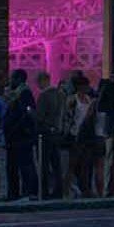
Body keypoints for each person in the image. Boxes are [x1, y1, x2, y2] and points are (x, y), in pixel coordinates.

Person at [3, 69, 39, 201]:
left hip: (20, 136)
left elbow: (26, 114)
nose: (10, 81)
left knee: (24, 165)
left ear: (19, 79)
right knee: (14, 166)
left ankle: (28, 192)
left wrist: (14, 129)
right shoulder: (17, 94)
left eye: (13, 78)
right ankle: (15, 193)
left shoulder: (24, 93)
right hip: (16, 136)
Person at [64, 75, 100, 197]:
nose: (87, 88)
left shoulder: (89, 99)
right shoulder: (72, 99)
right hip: (75, 134)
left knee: (86, 164)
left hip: (86, 135)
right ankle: (67, 190)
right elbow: (67, 116)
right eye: (85, 86)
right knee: (72, 164)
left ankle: (85, 189)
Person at [36, 71, 66, 199]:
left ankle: (44, 191)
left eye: (38, 82)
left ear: (43, 80)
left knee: (44, 163)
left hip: (45, 133)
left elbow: (40, 116)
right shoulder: (60, 94)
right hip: (57, 132)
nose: (38, 85)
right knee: (56, 164)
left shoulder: (44, 96)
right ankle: (59, 190)